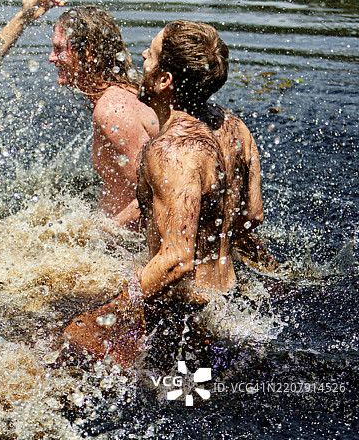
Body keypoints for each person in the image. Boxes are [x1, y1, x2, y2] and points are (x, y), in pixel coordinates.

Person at [61, 20, 264, 368]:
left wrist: (104, 318)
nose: (141, 55)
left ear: (163, 80)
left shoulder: (171, 150)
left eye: (150, 54)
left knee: (60, 349)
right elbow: (252, 216)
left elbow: (176, 260)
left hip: (184, 316)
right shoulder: (235, 127)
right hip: (229, 304)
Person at [48, 7, 159, 228]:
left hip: (127, 250)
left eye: (59, 49)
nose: (52, 58)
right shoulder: (116, 97)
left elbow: (156, 197)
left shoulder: (113, 110)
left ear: (87, 53)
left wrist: (94, 237)